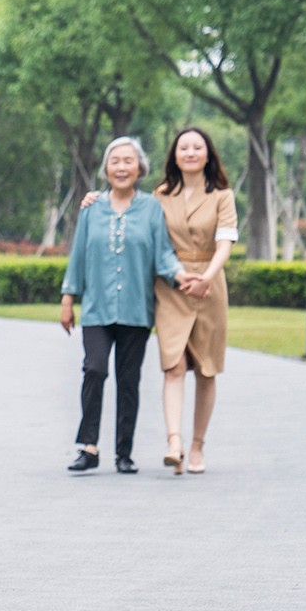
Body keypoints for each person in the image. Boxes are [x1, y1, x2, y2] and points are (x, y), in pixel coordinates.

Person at [81, 126, 237, 474]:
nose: (191, 153)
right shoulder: (160, 195)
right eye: (184, 147)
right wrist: (95, 198)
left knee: (207, 371)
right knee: (174, 366)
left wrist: (206, 278)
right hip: (171, 287)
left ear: (208, 154)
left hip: (209, 285)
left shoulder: (222, 195)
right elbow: (129, 210)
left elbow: (225, 241)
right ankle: (174, 443)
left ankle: (197, 446)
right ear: (174, 156)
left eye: (198, 147)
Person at [59, 137, 195, 475]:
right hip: (96, 308)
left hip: (136, 309)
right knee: (95, 369)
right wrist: (67, 297)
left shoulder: (150, 209)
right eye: (115, 161)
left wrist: (181, 275)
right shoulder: (91, 208)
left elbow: (163, 253)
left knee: (128, 380)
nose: (121, 167)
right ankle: (88, 446)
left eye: (128, 161)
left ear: (139, 169)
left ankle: (124, 452)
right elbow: (78, 254)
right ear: (106, 168)